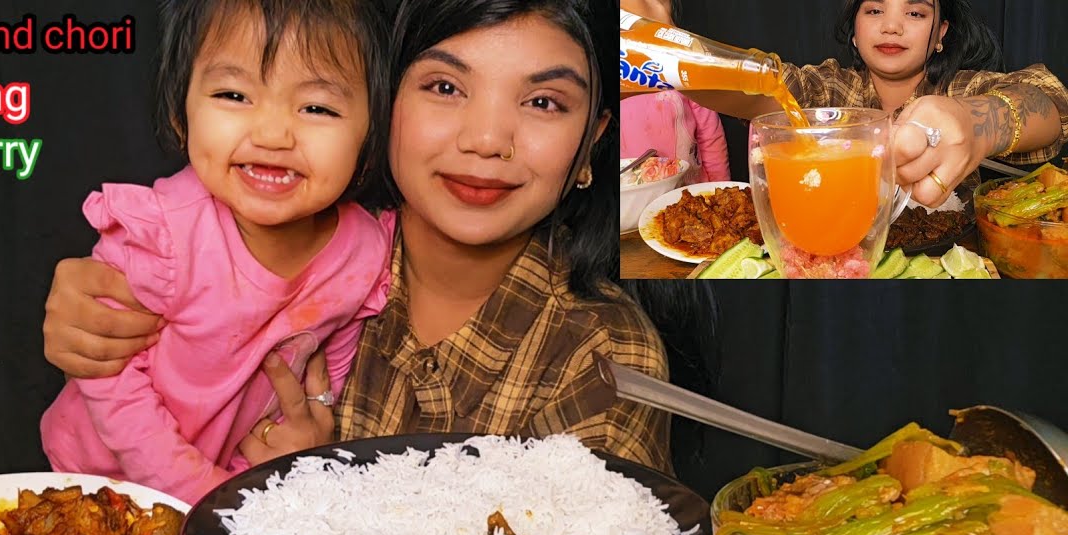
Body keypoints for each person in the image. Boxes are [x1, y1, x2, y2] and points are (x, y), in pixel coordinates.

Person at [41, 0, 691, 475]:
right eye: (444, 86)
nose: (486, 140)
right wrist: (91, 322)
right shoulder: (327, 253)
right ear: (384, 106)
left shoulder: (602, 357)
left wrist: (304, 481)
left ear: (591, 146)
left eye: (544, 102)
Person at [38, 0, 393, 504]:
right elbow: (109, 381)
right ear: (182, 114)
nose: (272, 134)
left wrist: (245, 479)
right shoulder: (162, 233)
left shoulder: (364, 251)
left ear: (369, 138)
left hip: (228, 494)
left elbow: (326, 376)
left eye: (317, 108)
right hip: (95, 482)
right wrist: (205, 494)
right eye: (233, 94)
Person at [625, 0, 1068, 207]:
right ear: (854, 31)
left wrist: (976, 123)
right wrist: (666, 57)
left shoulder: (965, 86)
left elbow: (1050, 102)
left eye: (915, 13)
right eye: (874, 10)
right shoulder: (830, 89)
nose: (892, 25)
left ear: (941, 35)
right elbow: (760, 88)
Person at [619, 0, 730, 183]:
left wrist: (719, 186)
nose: (653, 8)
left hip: (690, 196)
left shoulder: (682, 69)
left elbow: (711, 137)